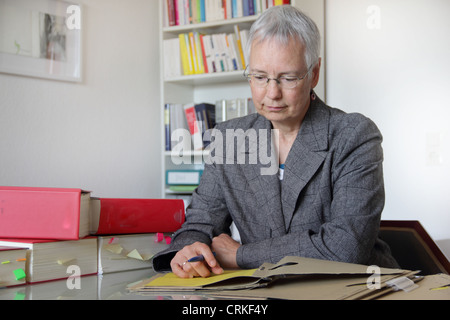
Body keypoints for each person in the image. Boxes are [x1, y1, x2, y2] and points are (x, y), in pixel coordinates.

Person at [153, 5, 398, 278]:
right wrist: (190, 249)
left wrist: (240, 255)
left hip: (355, 287)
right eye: (259, 77)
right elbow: (198, 223)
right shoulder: (227, 139)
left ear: (314, 73)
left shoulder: (353, 134)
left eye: (288, 78)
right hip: (264, 291)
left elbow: (346, 247)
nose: (272, 93)